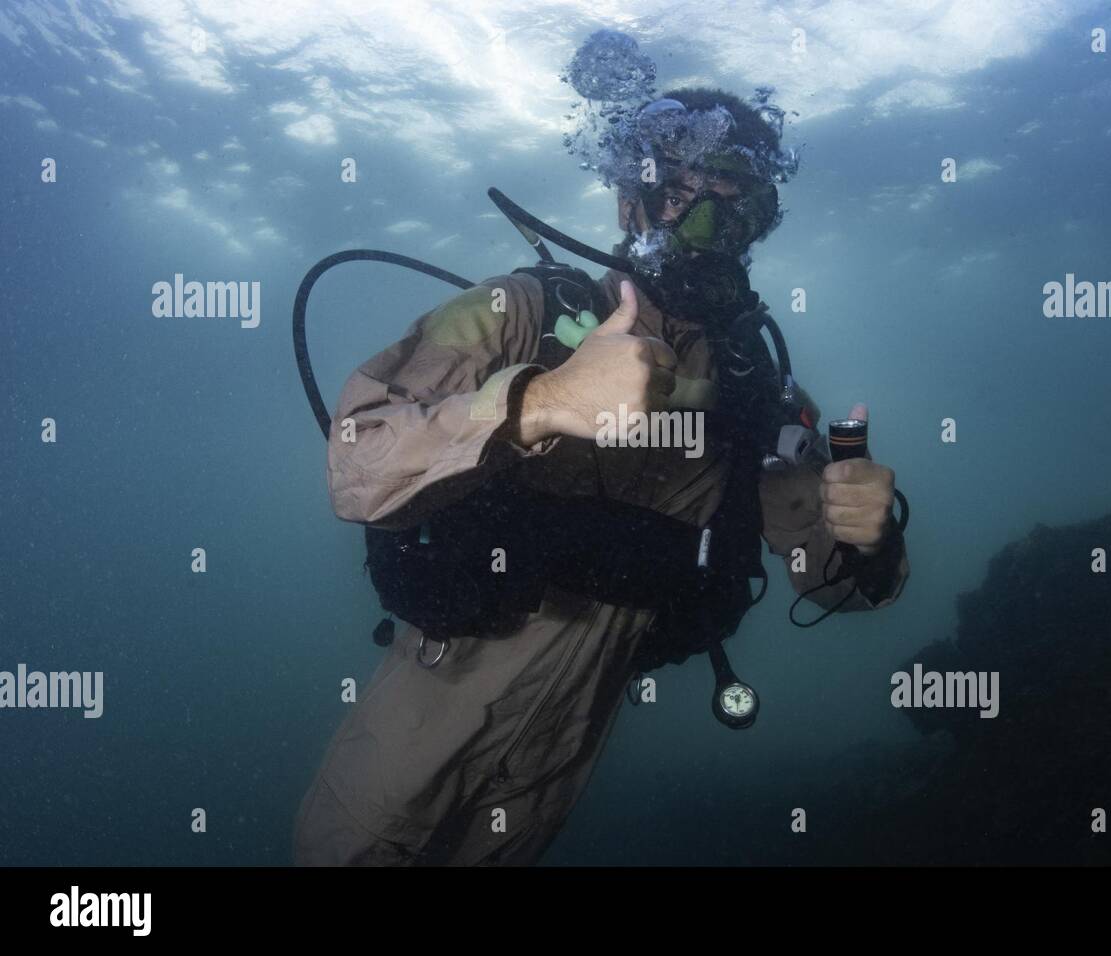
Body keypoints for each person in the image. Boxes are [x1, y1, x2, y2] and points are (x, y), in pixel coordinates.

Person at [294, 87, 909, 866]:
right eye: (682, 194)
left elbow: (837, 589)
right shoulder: (515, 310)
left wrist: (870, 536)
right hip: (411, 743)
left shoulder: (760, 394)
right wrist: (540, 402)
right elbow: (355, 465)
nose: (708, 229)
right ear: (631, 203)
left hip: (553, 775)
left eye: (735, 204)